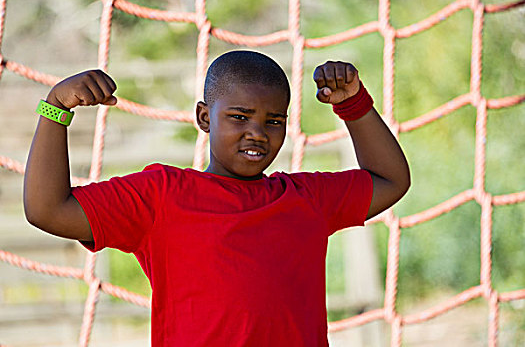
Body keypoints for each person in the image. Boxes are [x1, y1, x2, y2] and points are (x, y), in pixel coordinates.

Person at [24, 50, 410, 346]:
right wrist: (55, 108)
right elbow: (48, 210)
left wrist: (354, 104)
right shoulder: (162, 194)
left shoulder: (307, 198)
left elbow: (391, 180)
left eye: (273, 121)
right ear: (205, 117)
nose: (257, 132)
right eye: (240, 117)